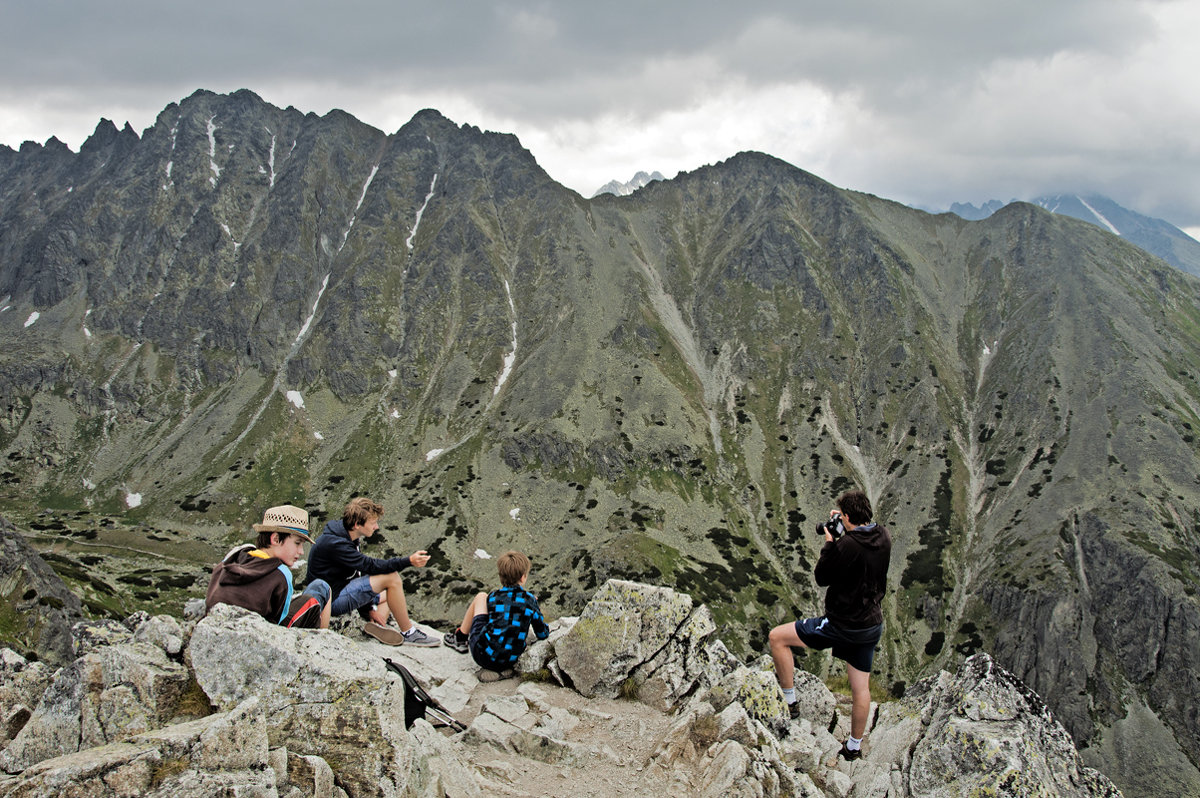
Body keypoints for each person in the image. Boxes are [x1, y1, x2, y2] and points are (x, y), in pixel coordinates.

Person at [768, 489, 892, 762]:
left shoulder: (847, 546)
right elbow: (859, 543)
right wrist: (844, 532)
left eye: (843, 517)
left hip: (841, 624)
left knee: (777, 637)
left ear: (847, 516)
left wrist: (830, 539)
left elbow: (822, 576)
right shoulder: (883, 535)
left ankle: (790, 702)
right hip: (870, 625)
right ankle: (853, 747)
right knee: (861, 689)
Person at [305, 496, 439, 646]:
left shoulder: (346, 535)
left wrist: (368, 609)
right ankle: (409, 633)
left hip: (340, 589)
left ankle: (375, 624)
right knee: (392, 579)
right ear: (357, 524)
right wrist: (408, 561)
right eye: (373, 523)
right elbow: (370, 566)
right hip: (332, 600)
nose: (376, 527)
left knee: (392, 595)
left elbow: (358, 572)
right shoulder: (336, 544)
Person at [205, 504, 332, 629]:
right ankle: (322, 641)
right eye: (297, 543)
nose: (301, 551)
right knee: (320, 589)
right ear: (276, 539)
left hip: (215, 623)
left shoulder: (234, 556)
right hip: (260, 634)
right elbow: (277, 624)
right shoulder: (281, 574)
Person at [443, 550, 550, 681]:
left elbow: (492, 617)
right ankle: (503, 670)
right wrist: (532, 606)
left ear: (500, 576)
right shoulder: (529, 600)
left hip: (482, 656)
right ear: (523, 577)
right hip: (511, 659)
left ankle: (460, 638)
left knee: (481, 596)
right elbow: (542, 634)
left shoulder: (493, 596)